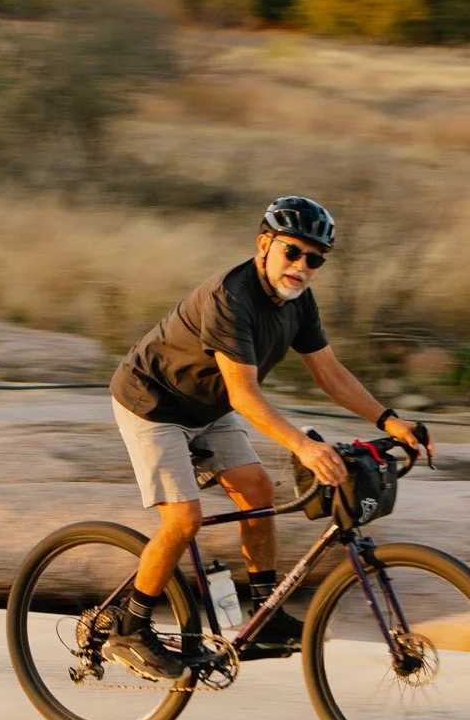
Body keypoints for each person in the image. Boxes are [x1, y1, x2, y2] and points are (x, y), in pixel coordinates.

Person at [104, 195, 428, 679]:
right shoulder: (232, 298)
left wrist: (389, 420)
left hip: (208, 407)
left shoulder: (298, 303)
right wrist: (302, 444)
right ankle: (128, 631)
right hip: (154, 402)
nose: (301, 266)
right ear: (264, 244)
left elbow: (331, 374)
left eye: (314, 259)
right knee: (184, 518)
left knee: (256, 490)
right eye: (292, 252)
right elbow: (244, 394)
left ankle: (263, 614)